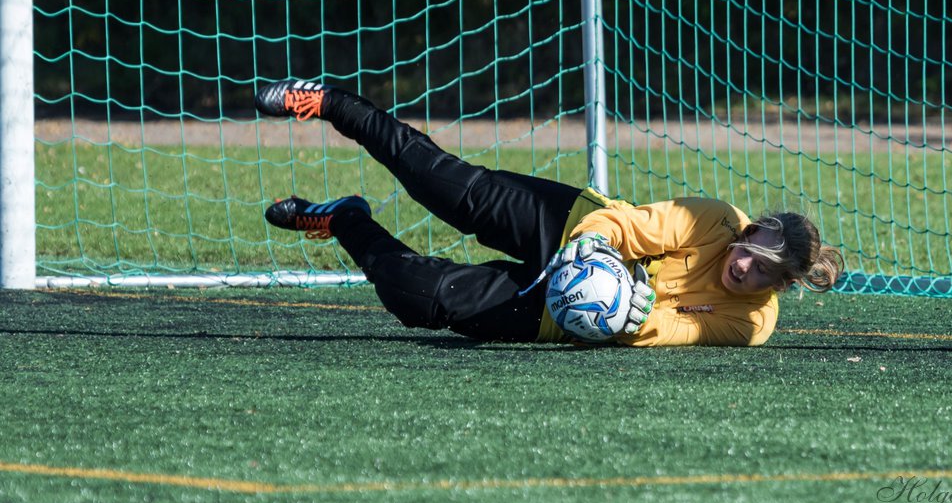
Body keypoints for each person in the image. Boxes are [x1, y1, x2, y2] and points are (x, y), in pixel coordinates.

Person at [255, 79, 844, 346]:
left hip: (566, 313)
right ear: (752, 228)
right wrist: (594, 249)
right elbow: (629, 226)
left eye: (765, 272)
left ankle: (343, 219)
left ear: (780, 286)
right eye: (752, 250)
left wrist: (629, 318)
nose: (746, 267)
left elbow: (679, 329)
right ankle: (330, 102)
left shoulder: (752, 325)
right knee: (432, 181)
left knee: (416, 297)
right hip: (567, 224)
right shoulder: (714, 219)